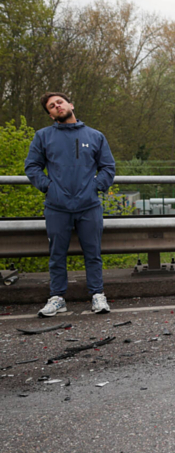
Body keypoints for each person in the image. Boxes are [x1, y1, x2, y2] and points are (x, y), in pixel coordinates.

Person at [24, 92, 116, 316]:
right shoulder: (43, 136)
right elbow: (32, 166)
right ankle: (57, 298)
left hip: (89, 206)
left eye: (60, 102)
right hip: (57, 207)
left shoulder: (95, 136)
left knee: (93, 253)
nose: (57, 106)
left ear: (70, 105)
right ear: (50, 115)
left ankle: (97, 295)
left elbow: (108, 167)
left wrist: (95, 187)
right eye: (51, 106)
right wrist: (48, 187)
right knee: (57, 254)